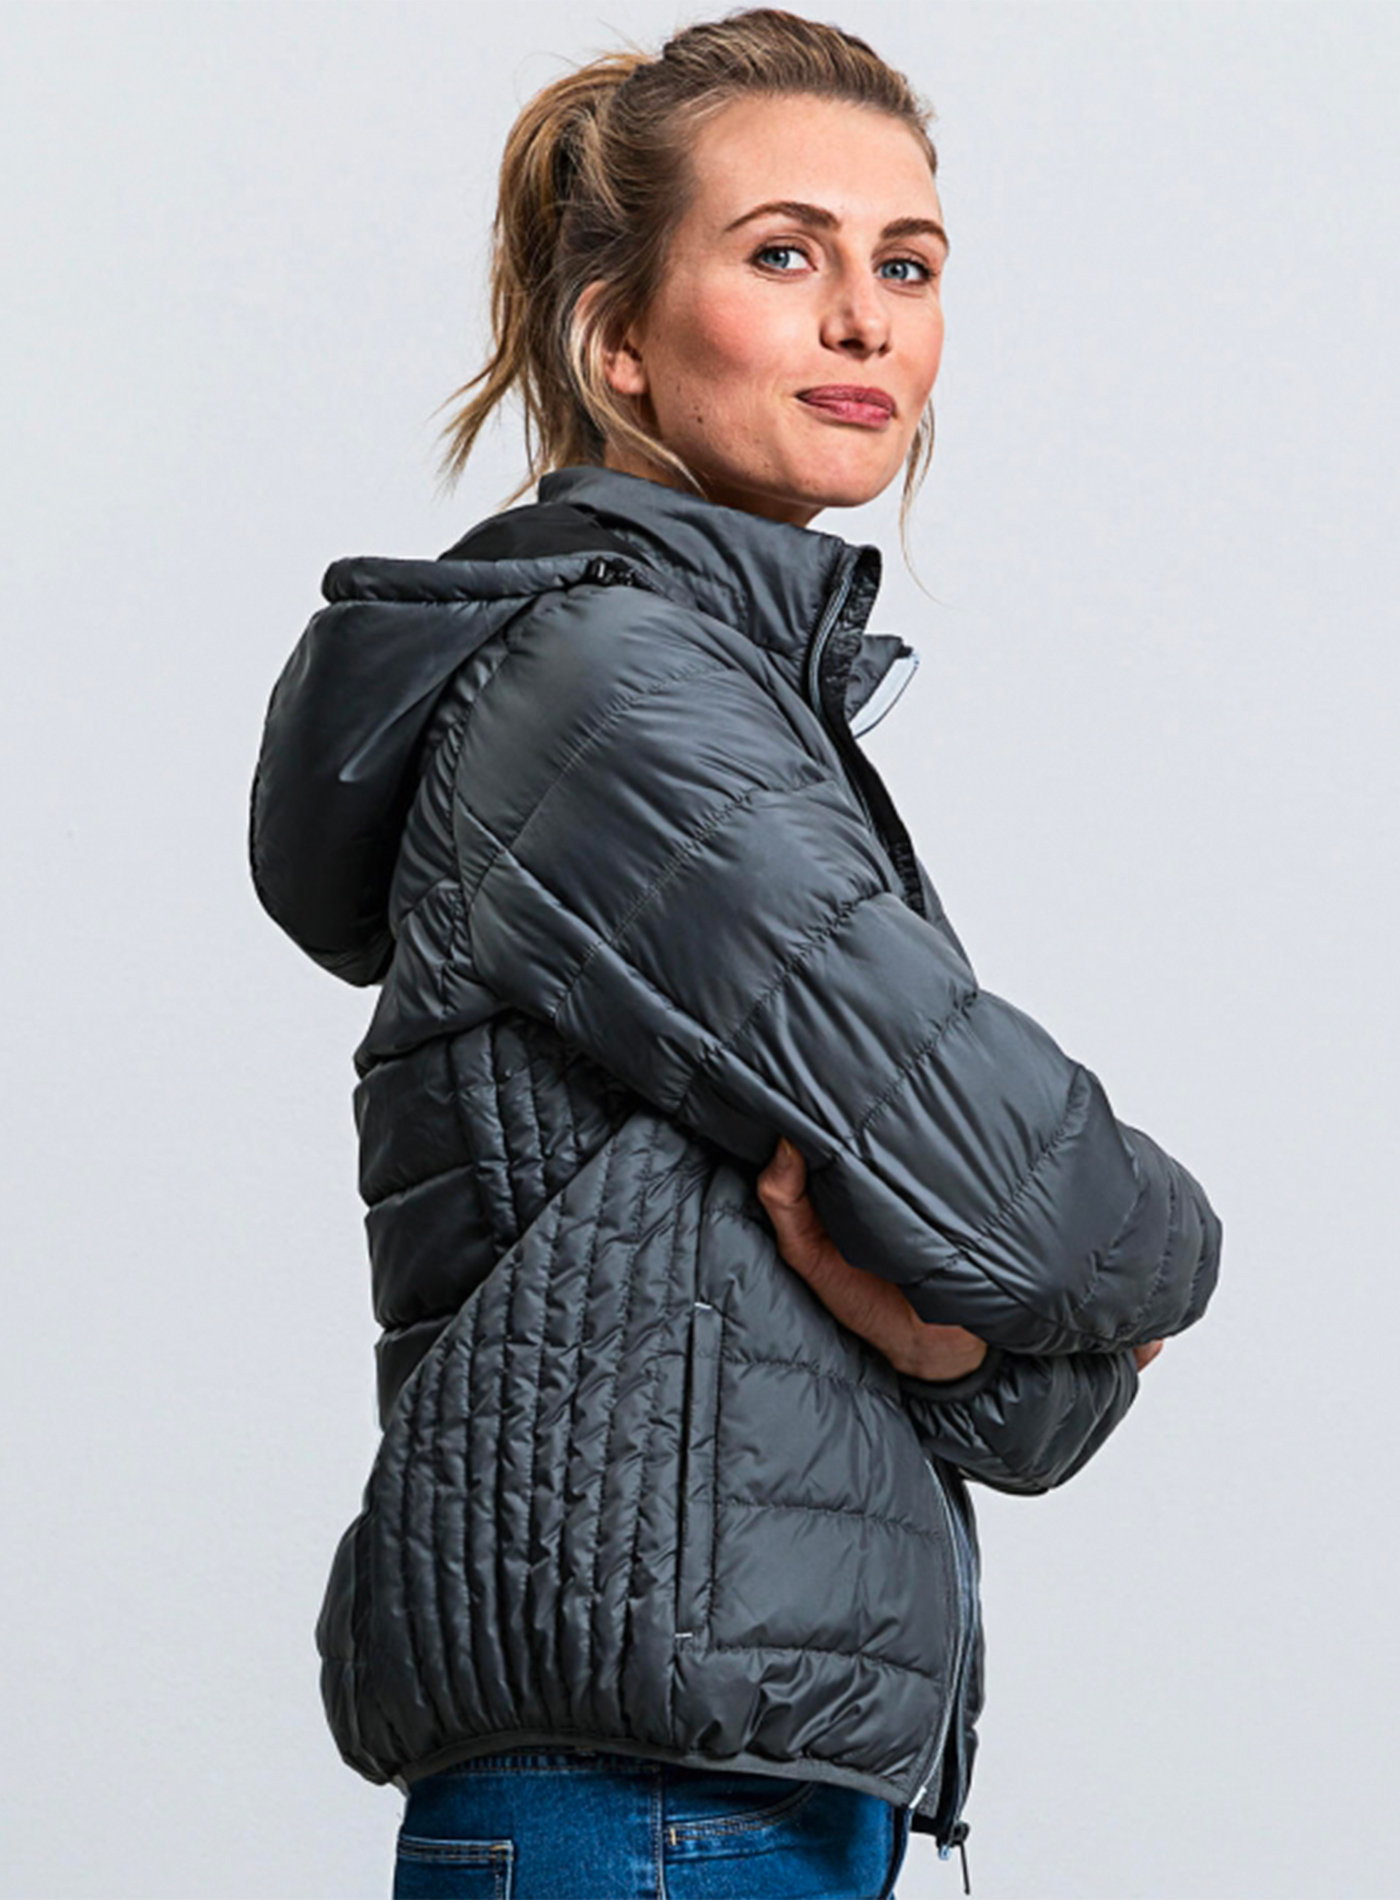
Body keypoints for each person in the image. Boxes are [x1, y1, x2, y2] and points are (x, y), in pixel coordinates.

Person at [248, 9, 1222, 1897]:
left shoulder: (734, 698)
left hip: (750, 1789)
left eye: (908, 267)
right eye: (785, 254)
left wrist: (949, 1336)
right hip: (650, 1806)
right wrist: (1162, 1251)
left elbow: (1020, 1380)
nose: (865, 321)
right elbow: (1053, 1212)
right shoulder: (612, 692)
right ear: (615, 337)